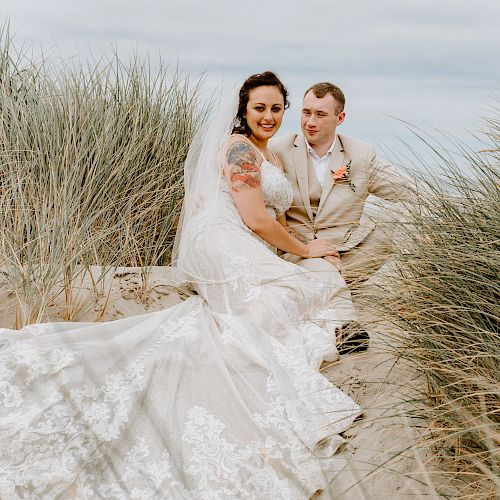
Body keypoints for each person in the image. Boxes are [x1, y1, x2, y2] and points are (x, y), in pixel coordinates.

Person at [0, 72, 361, 499]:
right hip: (221, 239)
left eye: (276, 108)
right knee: (278, 296)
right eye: (259, 107)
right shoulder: (240, 150)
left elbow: (274, 218)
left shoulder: (274, 160)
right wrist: (305, 249)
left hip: (245, 240)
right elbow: (255, 219)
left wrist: (291, 253)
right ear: (243, 110)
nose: (268, 116)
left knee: (281, 292)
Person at [271, 82, 412, 352]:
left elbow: (412, 193)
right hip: (294, 252)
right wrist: (309, 249)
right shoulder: (277, 150)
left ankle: (332, 282)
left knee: (402, 223)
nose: (310, 122)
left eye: (320, 115)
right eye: (306, 112)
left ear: (340, 118)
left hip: (347, 255)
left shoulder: (360, 155)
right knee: (321, 267)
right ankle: (347, 328)